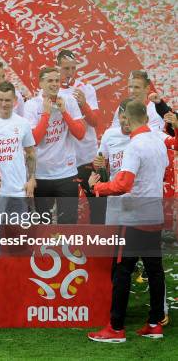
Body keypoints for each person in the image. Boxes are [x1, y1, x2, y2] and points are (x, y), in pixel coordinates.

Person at [87, 101, 170, 343]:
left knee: (122, 270)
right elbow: (162, 171)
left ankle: (115, 328)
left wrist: (97, 187)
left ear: (126, 118)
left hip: (133, 217)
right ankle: (155, 323)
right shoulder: (157, 139)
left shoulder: (135, 146)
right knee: (154, 270)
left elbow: (123, 184)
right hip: (154, 212)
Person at [0, 82, 36, 253]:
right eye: (1, 100)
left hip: (18, 191)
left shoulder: (23, 123)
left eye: (8, 100)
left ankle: (15, 278)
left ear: (15, 100)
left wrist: (32, 179)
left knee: (18, 242)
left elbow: (31, 154)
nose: (4, 104)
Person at [24, 67, 85, 224]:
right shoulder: (31, 105)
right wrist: (46, 114)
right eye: (49, 81)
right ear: (41, 83)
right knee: (43, 225)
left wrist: (64, 112)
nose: (54, 84)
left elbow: (80, 134)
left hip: (67, 173)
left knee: (68, 222)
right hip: (41, 174)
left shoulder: (69, 100)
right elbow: (34, 141)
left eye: (56, 80)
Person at [57, 50, 103, 223]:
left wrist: (83, 104)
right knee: (67, 210)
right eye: (66, 68)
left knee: (98, 204)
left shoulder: (86, 88)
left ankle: (99, 244)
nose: (70, 73)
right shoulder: (52, 91)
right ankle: (66, 246)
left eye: (73, 68)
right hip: (66, 162)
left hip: (87, 157)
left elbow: (95, 121)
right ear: (58, 67)